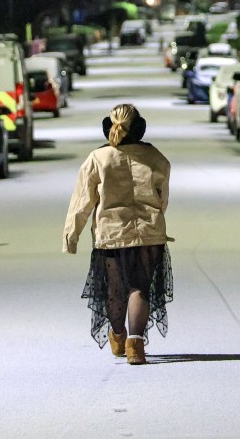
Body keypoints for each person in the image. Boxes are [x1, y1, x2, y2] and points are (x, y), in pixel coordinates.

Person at [62, 104, 173, 365]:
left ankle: (119, 335)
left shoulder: (98, 159)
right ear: (139, 127)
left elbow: (82, 202)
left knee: (114, 289)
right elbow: (162, 199)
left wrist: (71, 235)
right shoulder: (155, 157)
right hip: (149, 234)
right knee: (140, 287)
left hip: (110, 235)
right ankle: (136, 344)